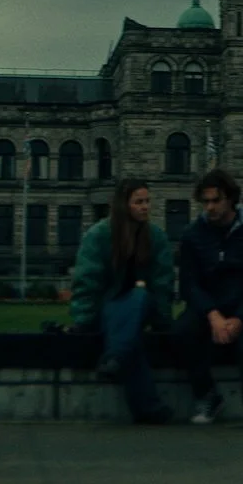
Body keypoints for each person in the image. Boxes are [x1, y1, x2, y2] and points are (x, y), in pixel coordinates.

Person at [175, 169, 243, 431]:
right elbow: (189, 284)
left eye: (215, 200)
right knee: (183, 332)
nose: (209, 207)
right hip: (207, 309)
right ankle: (208, 396)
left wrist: (240, 318)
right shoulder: (193, 234)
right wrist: (212, 315)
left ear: (230, 199)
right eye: (205, 201)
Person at [69, 178, 176, 425]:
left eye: (147, 201)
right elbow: (87, 281)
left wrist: (162, 321)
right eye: (139, 202)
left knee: (138, 295)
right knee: (130, 339)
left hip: (142, 306)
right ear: (123, 205)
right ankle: (148, 408)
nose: (145, 207)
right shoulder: (98, 235)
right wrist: (84, 320)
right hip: (108, 310)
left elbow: (163, 284)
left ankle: (113, 357)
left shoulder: (156, 238)